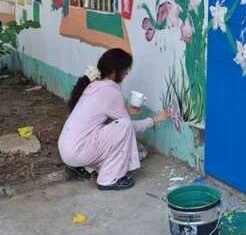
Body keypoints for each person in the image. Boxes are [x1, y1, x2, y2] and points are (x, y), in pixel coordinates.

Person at [57, 48, 170, 190]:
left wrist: (126, 111)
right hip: (78, 151)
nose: (126, 73)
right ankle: (108, 179)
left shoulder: (94, 85)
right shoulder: (110, 91)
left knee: (121, 132)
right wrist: (153, 120)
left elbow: (105, 117)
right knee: (125, 128)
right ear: (113, 71)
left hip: (66, 148)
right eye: (125, 70)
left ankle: (86, 167)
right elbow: (126, 127)